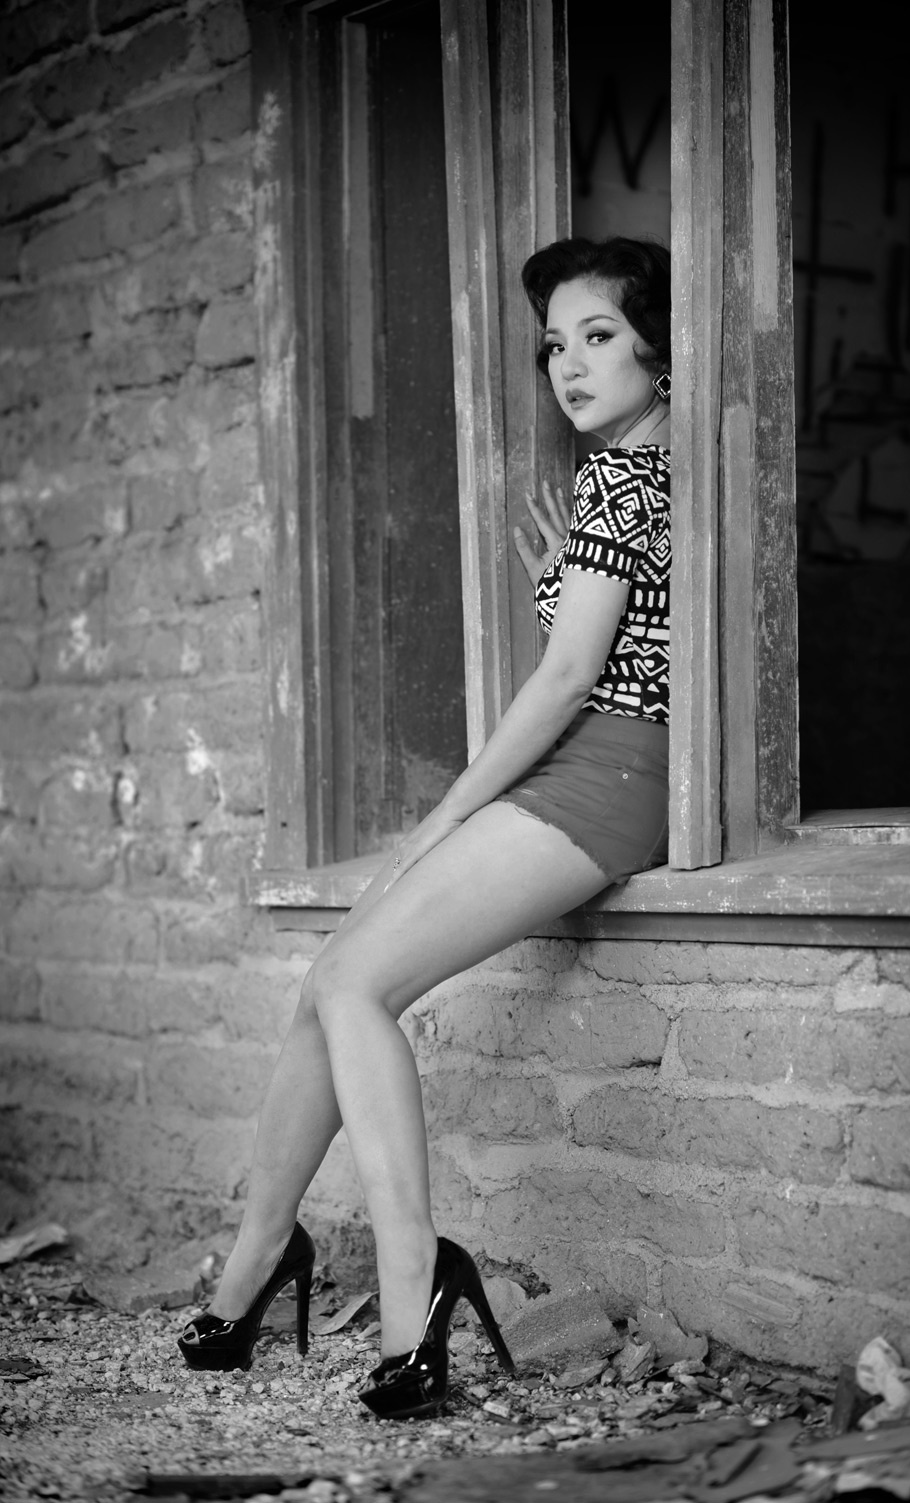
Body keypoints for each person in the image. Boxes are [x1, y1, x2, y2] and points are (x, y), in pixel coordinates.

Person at [177, 235, 673, 1421]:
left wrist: (446, 813)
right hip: (609, 766)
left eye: (598, 335)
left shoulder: (624, 476)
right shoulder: (657, 468)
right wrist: (564, 577)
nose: (568, 364)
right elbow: (627, 634)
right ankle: (257, 1262)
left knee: (353, 985)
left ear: (662, 348)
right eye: (552, 344)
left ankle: (413, 1283)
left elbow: (571, 681)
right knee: (329, 980)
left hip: (606, 772)